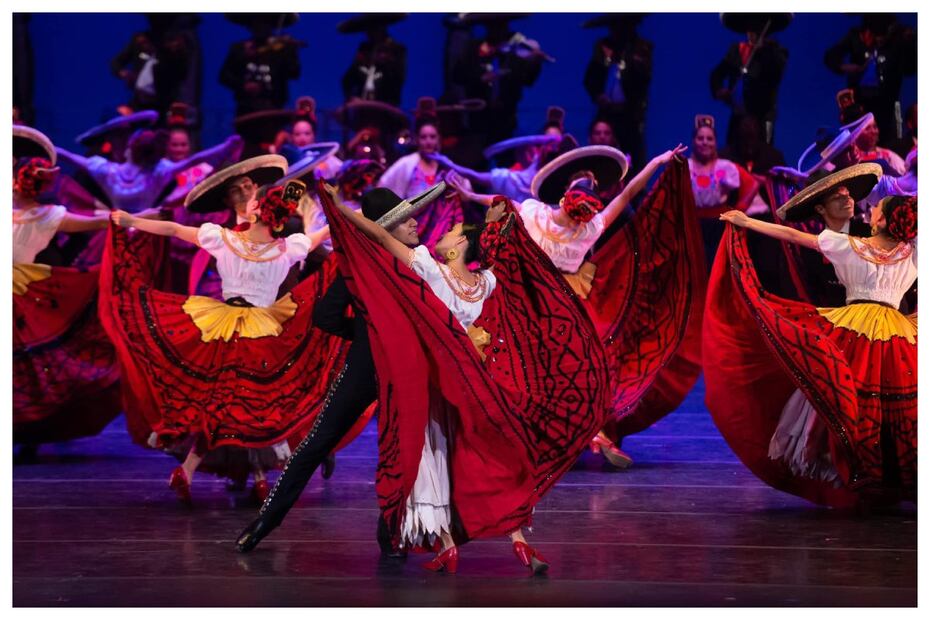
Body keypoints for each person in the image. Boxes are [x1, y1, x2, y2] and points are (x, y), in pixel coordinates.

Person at [313, 181, 612, 574]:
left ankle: (448, 544)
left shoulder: (430, 268)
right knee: (488, 454)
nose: (443, 232)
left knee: (437, 458)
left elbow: (381, 236)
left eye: (452, 232)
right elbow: (510, 256)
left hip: (440, 378)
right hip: (477, 379)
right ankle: (518, 540)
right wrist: (499, 221)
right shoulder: (486, 282)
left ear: (458, 249)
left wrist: (340, 208)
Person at [451, 144, 704, 470]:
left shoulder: (547, 217)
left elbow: (499, 203)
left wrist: (470, 196)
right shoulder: (573, 224)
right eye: (586, 180)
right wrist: (655, 161)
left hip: (547, 310)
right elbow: (626, 195)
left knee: (562, 371)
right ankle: (573, 435)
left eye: (590, 182)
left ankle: (584, 434)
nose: (589, 183)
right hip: (549, 308)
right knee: (557, 372)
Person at [235, 182, 447, 557]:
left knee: (318, 443)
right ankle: (390, 536)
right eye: (406, 220)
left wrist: (366, 333)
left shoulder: (362, 267)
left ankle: (263, 524)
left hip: (366, 365)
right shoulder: (416, 265)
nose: (415, 223)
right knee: (402, 448)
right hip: (402, 369)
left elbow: (326, 316)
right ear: (386, 228)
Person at [100, 177, 338, 505]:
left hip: (222, 329)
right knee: (256, 403)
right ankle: (257, 478)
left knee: (221, 403)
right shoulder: (287, 248)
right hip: (263, 333)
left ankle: (195, 470)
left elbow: (173, 229)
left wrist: (132, 222)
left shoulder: (224, 239)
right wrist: (348, 212)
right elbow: (323, 234)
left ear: (255, 213)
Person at [706, 164, 916, 507]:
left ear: (880, 221)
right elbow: (792, 236)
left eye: (877, 207)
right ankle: (886, 470)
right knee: (886, 401)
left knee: (850, 395)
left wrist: (748, 222)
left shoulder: (851, 245)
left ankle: (865, 469)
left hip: (858, 329)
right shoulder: (908, 251)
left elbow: (791, 236)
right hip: (895, 333)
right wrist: (748, 222)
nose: (869, 207)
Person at [11, 136, 122, 453]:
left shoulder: (49, 216)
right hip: (23, 288)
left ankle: (26, 432)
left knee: (27, 367)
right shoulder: (41, 214)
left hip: (22, 292)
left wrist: (138, 219)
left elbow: (100, 222)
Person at [56, 129, 242, 214]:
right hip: (139, 232)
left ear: (129, 148)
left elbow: (67, 156)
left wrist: (43, 144)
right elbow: (194, 160)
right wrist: (225, 147)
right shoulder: (157, 173)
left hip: (131, 231)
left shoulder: (107, 170)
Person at [378, 112, 471, 249]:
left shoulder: (445, 165)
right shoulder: (407, 164)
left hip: (442, 228)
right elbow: (383, 186)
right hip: (414, 227)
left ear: (438, 139)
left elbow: (467, 190)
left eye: (432, 137)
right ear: (417, 140)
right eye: (423, 137)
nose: (428, 141)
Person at [824, 14, 917, 148]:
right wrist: (853, 68)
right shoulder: (856, 36)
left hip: (888, 105)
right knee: (860, 142)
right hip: (861, 104)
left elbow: (909, 69)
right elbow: (830, 58)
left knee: (891, 145)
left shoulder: (897, 39)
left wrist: (911, 44)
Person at [452, 13, 546, 145]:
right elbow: (457, 75)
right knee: (477, 153)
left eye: (502, 25)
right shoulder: (473, 48)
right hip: (478, 120)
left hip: (507, 120)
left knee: (506, 152)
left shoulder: (515, 52)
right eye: (494, 26)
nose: (499, 30)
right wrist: (481, 78)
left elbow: (528, 80)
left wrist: (535, 62)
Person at [582, 13, 652, 171]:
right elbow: (589, 79)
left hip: (630, 115)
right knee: (601, 151)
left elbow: (643, 79)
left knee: (633, 156)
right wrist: (598, 95)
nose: (616, 31)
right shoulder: (603, 46)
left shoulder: (641, 47)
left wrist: (628, 59)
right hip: (607, 112)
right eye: (613, 27)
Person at [688, 114, 758, 268]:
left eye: (709, 139)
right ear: (693, 141)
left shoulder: (725, 167)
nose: (705, 142)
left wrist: (739, 208)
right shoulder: (686, 167)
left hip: (719, 225)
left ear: (715, 142)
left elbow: (752, 184)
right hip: (692, 225)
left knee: (717, 266)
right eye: (700, 138)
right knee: (695, 266)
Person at [711, 13, 790, 147]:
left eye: (757, 29)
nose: (752, 34)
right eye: (750, 29)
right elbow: (717, 74)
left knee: (765, 150)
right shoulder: (737, 50)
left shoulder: (776, 52)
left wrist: (763, 52)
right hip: (739, 114)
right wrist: (719, 90)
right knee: (733, 149)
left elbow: (775, 76)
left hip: (764, 116)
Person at [219, 13, 302, 115]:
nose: (261, 26)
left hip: (274, 108)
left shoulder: (282, 48)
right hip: (245, 109)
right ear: (250, 25)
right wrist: (243, 86)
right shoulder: (240, 48)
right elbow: (224, 76)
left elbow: (294, 73)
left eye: (265, 22)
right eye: (256, 22)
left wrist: (290, 51)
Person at [339, 14, 407, 106]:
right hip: (361, 107)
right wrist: (350, 98)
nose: (368, 32)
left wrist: (384, 63)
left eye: (373, 27)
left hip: (386, 107)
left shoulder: (397, 49)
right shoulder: (364, 50)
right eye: (367, 28)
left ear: (382, 27)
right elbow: (347, 79)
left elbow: (397, 80)